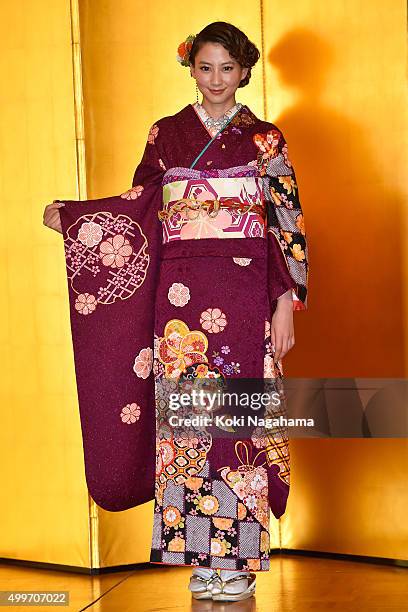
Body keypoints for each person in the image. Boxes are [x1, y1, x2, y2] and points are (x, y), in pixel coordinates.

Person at [43, 21, 308, 603]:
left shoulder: (266, 140)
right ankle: (197, 552)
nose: (216, 80)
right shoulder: (166, 134)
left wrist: (284, 302)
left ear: (244, 72)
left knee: (237, 423)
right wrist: (81, 220)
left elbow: (285, 224)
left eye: (228, 69)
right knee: (187, 422)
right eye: (206, 67)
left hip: (243, 292)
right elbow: (139, 208)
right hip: (182, 297)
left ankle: (237, 556)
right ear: (191, 68)